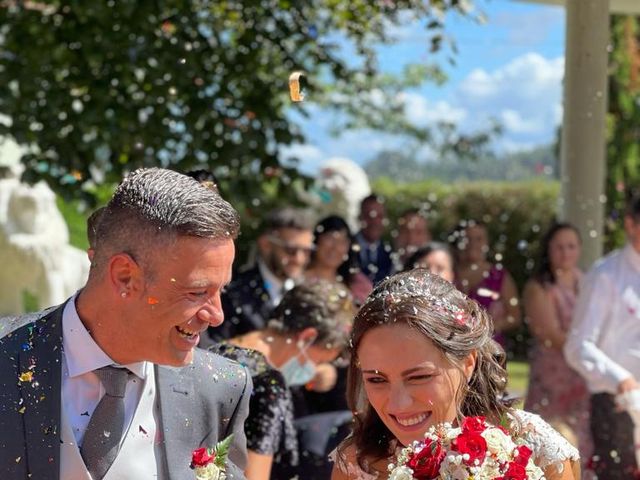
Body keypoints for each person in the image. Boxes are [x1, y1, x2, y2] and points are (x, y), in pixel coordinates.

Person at [0, 168, 251, 480]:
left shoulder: (221, 389)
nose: (216, 315)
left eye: (220, 290)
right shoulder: (6, 355)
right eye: (197, 292)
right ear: (125, 277)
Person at [332, 269, 580, 480]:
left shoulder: (534, 447)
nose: (398, 403)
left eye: (418, 377)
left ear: (468, 362)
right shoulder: (356, 464)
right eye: (376, 380)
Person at [211, 280, 355, 480]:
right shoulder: (268, 384)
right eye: (320, 360)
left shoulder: (216, 352)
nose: (315, 370)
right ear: (307, 337)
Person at [564, 190, 640, 480]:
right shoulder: (606, 274)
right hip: (615, 403)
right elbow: (578, 345)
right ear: (631, 224)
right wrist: (621, 378)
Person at [523, 222, 592, 475]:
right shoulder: (539, 287)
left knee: (582, 437)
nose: (566, 253)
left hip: (581, 374)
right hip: (553, 374)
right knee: (548, 438)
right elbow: (549, 335)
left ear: (579, 249)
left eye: (571, 246)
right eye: (559, 247)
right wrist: (591, 349)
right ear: (549, 250)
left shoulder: (586, 281)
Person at [204, 207, 315, 344]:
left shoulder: (305, 294)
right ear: (266, 244)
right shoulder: (233, 291)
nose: (299, 259)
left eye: (307, 252)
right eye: (291, 250)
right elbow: (214, 349)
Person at [453, 220, 521, 344]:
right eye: (467, 238)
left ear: (486, 243)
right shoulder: (448, 273)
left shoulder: (500, 277)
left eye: (479, 239)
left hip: (489, 349)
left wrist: (489, 327)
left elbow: (514, 317)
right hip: (453, 346)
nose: (472, 243)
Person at [306, 215, 373, 306]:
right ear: (316, 240)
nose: (335, 247)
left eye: (342, 241)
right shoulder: (298, 277)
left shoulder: (357, 284)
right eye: (329, 238)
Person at [355, 194, 393, 285]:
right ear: (360, 217)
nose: (374, 222)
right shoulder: (345, 248)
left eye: (379, 216)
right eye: (369, 216)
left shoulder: (390, 253)